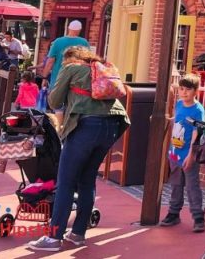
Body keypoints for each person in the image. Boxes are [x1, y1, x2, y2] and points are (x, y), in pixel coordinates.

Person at [26, 46, 129, 252]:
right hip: (112, 126)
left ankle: (54, 237)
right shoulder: (102, 67)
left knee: (66, 181)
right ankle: (78, 234)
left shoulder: (71, 68)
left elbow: (54, 100)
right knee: (87, 179)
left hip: (85, 126)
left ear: (71, 57)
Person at [160, 73, 205, 233]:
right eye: (181, 89)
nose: (184, 92)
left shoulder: (198, 110)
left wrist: (191, 154)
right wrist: (169, 119)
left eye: (188, 89)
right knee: (176, 184)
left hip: (188, 154)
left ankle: (198, 217)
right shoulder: (179, 104)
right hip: (175, 153)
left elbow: (197, 132)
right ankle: (174, 213)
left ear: (195, 91)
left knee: (192, 186)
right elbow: (179, 120)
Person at [41, 20, 90, 91]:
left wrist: (44, 78)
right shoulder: (84, 42)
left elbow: (50, 62)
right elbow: (88, 61)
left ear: (68, 28)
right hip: (77, 81)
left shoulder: (57, 42)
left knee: (55, 101)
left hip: (58, 79)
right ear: (79, 30)